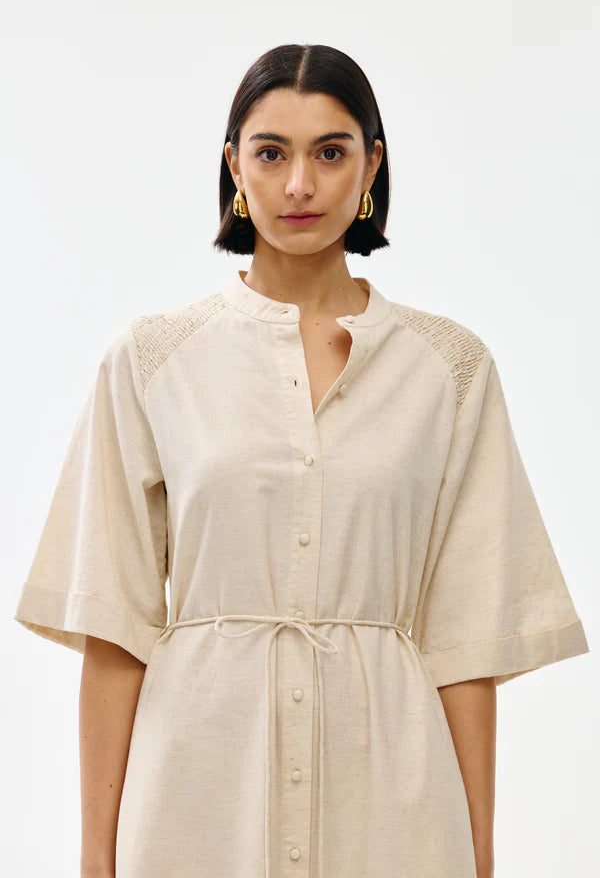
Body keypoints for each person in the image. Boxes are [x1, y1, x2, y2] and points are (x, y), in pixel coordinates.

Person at [14, 43, 589, 878]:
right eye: (271, 153)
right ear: (234, 168)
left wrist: (479, 858)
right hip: (196, 796)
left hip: (394, 803)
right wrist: (96, 860)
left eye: (329, 153)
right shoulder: (153, 361)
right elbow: (115, 636)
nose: (298, 186)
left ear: (371, 165)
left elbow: (467, 646)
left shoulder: (449, 370)